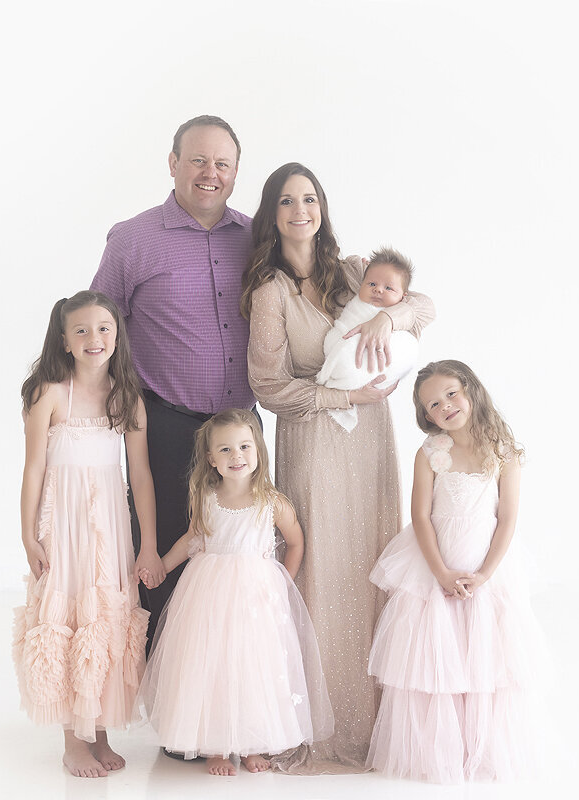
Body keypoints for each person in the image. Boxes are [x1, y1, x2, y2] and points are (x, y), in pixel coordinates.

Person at [241, 162, 435, 773]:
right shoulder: (271, 292)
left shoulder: (353, 271)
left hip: (372, 440)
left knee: (371, 556)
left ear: (322, 207)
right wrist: (344, 397)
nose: (302, 210)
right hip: (314, 437)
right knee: (321, 565)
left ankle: (379, 722)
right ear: (272, 215)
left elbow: (425, 304)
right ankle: (316, 721)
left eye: (311, 198)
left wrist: (387, 317)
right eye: (288, 201)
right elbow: (269, 386)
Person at [90, 115, 254, 654]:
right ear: (173, 164)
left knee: (237, 561)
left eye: (222, 164)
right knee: (162, 563)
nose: (211, 173)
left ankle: (228, 702)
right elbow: (96, 325)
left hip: (241, 432)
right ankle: (171, 709)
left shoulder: (256, 238)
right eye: (199, 160)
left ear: (235, 172)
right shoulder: (133, 239)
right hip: (163, 426)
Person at [366, 360, 550, 783]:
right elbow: (421, 516)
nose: (445, 406)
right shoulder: (431, 452)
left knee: (486, 654)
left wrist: (483, 574)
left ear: (470, 390)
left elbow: (507, 519)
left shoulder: (502, 449)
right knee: (436, 655)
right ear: (426, 416)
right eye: (433, 404)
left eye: (451, 393)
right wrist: (441, 573)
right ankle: (440, 748)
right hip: (436, 563)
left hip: (487, 564)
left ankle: (480, 746)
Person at [137, 409, 333, 776]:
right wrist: (163, 564)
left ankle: (249, 744)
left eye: (244, 447)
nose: (236, 456)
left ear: (258, 451)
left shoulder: (272, 502)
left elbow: (295, 542)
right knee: (212, 665)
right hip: (208, 597)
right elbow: (194, 539)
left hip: (255, 599)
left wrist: (282, 583)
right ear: (211, 459)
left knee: (252, 665)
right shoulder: (207, 496)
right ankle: (216, 746)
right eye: (225, 450)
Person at [13, 292, 155, 778]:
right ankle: (74, 740)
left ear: (117, 334)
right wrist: (29, 536)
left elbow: (141, 476)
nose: (94, 339)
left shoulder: (128, 396)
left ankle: (101, 730)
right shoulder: (50, 392)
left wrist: (150, 543)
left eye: (103, 329)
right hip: (65, 522)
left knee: (106, 615)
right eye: (81, 331)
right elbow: (33, 470)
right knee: (71, 611)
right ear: (64, 340)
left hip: (109, 523)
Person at [315, 247, 420, 432]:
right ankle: (341, 373)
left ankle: (346, 374)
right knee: (337, 343)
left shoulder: (400, 314)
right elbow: (344, 325)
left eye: (388, 288)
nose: (378, 290)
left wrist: (385, 319)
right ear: (361, 284)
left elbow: (427, 308)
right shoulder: (355, 303)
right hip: (340, 343)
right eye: (371, 284)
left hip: (367, 383)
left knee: (409, 345)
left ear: (403, 297)